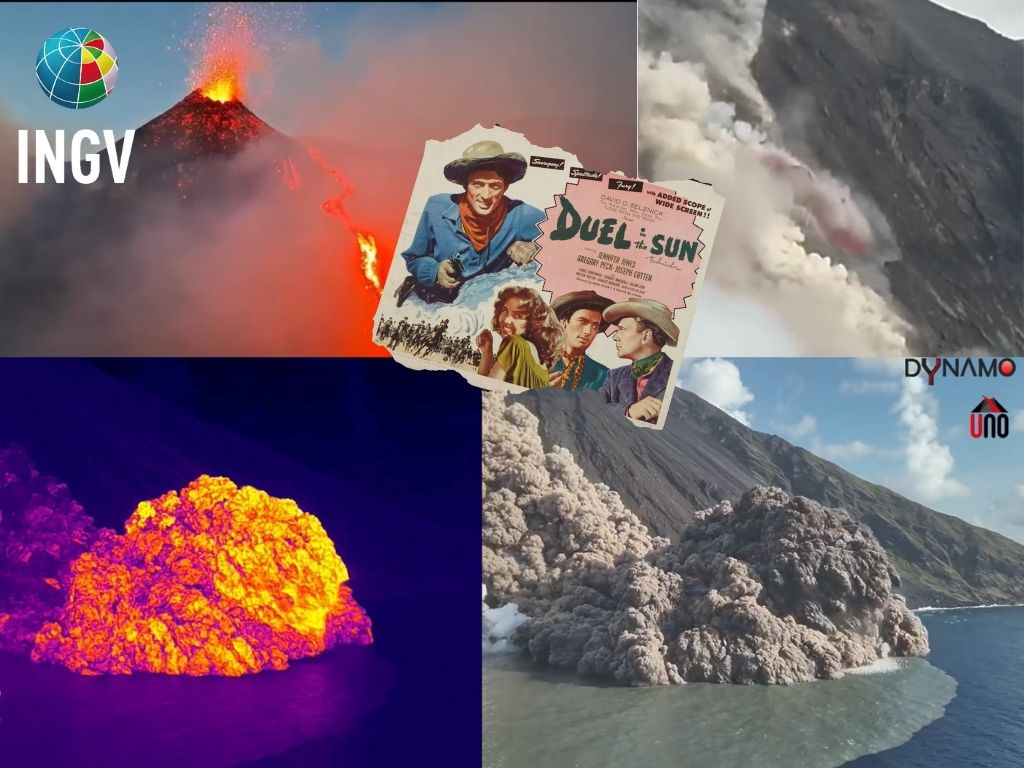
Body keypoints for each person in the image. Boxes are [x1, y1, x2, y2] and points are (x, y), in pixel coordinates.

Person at [394, 141, 545, 306]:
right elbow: (414, 257)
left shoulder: (519, 213)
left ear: (505, 187)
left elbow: (568, 239)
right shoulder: (436, 207)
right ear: (466, 185)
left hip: (480, 308)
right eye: (477, 185)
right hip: (434, 302)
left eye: (495, 186)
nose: (485, 195)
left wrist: (536, 247)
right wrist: (435, 271)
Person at [600, 298, 679, 423]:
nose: (615, 337)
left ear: (646, 336)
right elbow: (592, 410)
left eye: (622, 329)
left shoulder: (676, 375)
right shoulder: (614, 377)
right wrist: (628, 411)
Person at [475, 286, 563, 389]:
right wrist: (487, 353)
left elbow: (484, 392)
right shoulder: (543, 369)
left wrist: (487, 356)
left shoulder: (514, 343)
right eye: (504, 310)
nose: (507, 320)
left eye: (517, 316)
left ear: (532, 323)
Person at [547, 290, 614, 391]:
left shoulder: (602, 376)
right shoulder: (535, 360)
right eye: (582, 321)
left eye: (595, 326)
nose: (588, 331)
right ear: (563, 322)